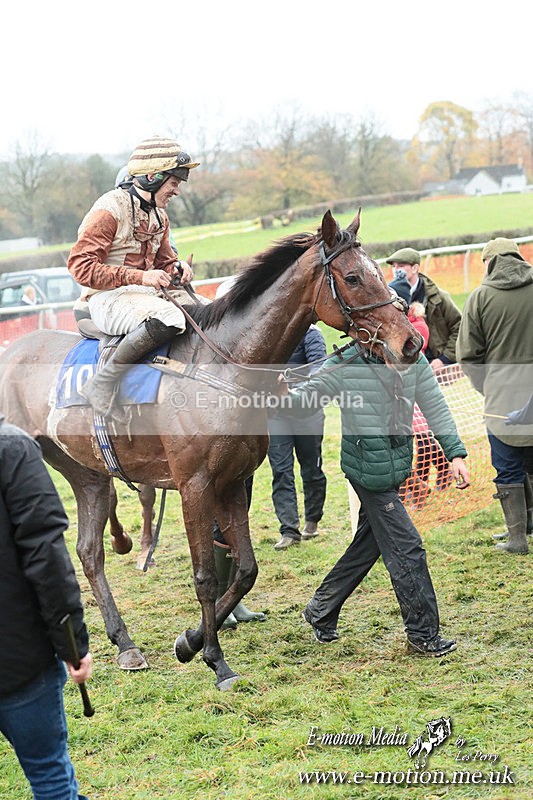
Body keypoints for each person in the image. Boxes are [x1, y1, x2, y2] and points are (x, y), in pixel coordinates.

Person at [284, 342, 470, 656]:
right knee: (407, 547)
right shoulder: (346, 363)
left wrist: (455, 454)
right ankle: (422, 635)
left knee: (368, 545)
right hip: (367, 471)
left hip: (395, 466)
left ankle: (320, 610)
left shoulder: (412, 355)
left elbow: (435, 404)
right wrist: (279, 390)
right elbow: (304, 402)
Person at [67, 136, 199, 422]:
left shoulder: (159, 215)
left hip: (144, 298)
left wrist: (177, 269)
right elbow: (80, 267)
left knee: (207, 310)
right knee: (170, 318)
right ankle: (103, 383)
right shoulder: (109, 209)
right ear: (153, 177)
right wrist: (140, 277)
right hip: (106, 299)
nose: (177, 191)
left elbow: (164, 262)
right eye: (174, 183)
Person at [0, 414, 92, 799]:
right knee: (51, 779)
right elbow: (47, 558)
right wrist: (73, 646)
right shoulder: (11, 448)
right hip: (19, 663)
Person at [457, 237, 533, 555]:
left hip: (502, 400)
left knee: (507, 467)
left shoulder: (480, 297)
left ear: (490, 262)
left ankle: (517, 539)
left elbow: (469, 356)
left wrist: (489, 388)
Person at [270, 325, 328, 550]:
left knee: (311, 468)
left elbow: (319, 370)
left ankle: (312, 520)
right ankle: (289, 530)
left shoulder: (311, 334)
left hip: (307, 411)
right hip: (275, 412)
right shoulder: (272, 331)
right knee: (281, 470)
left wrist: (291, 388)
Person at [386, 247, 462, 374]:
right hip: (405, 368)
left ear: (415, 268)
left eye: (401, 265)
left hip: (437, 366)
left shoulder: (439, 297)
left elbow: (460, 327)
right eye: (394, 266)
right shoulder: (389, 297)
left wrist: (444, 359)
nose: (396, 270)